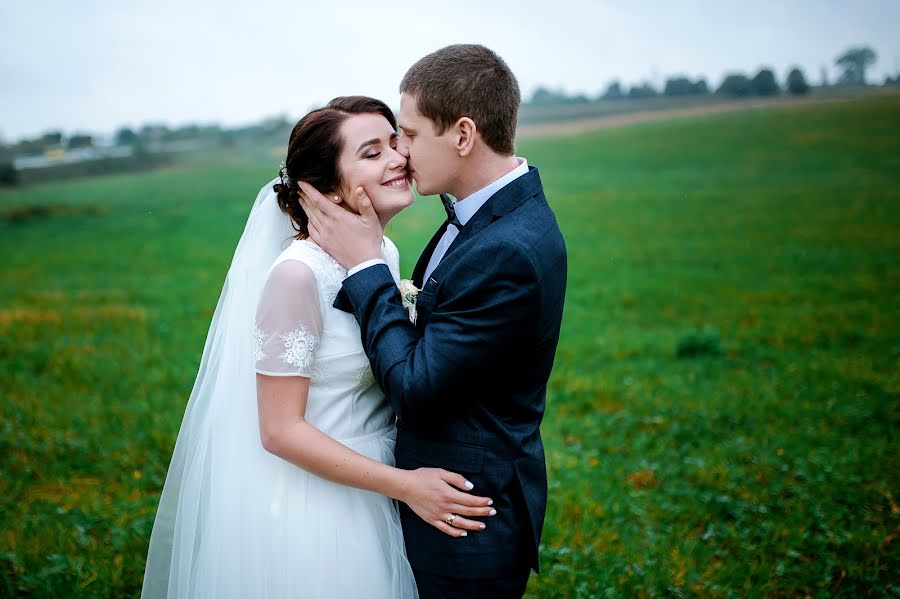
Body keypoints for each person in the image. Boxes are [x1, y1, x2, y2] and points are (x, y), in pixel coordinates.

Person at [141, 96, 495, 599]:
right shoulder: (296, 278)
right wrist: (408, 485)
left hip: (380, 485)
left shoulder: (379, 254)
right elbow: (280, 431)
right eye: (372, 153)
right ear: (325, 189)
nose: (399, 158)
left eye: (396, 142)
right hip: (325, 507)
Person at [299, 45, 568, 598]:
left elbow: (416, 387)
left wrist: (366, 265)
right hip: (429, 501)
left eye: (411, 134)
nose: (401, 151)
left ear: (463, 135)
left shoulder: (507, 249)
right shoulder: (477, 219)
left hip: (465, 517)